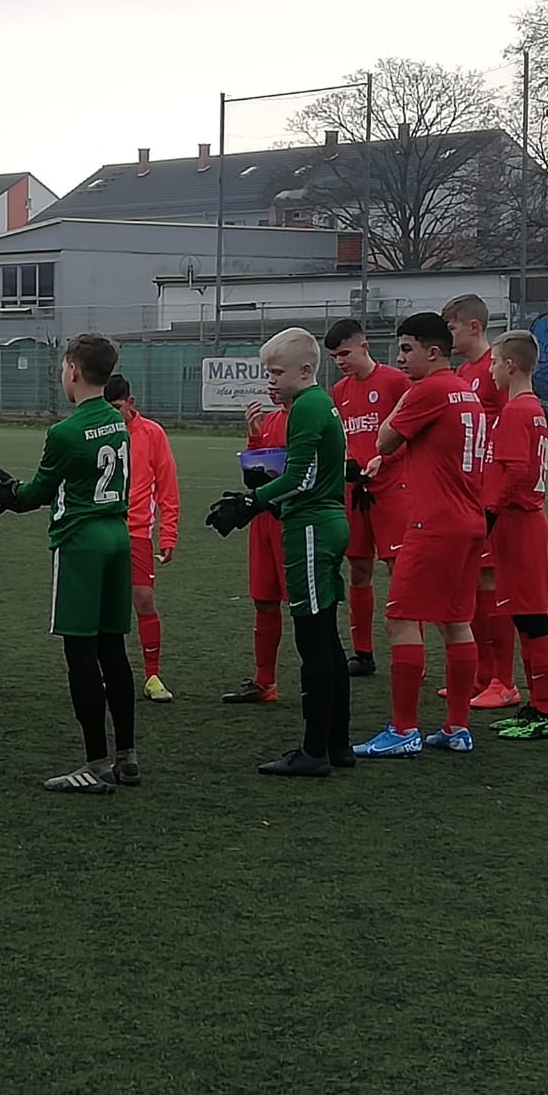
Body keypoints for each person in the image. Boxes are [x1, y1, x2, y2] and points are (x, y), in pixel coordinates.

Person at [0, 333, 138, 794]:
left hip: (81, 542)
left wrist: (12, 494)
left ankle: (95, 763)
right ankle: (127, 756)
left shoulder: (65, 432)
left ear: (73, 370)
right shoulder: (116, 420)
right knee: (113, 650)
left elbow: (41, 492)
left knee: (80, 653)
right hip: (117, 536)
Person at [207, 328, 353, 776]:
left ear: (305, 370)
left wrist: (250, 503)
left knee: (313, 641)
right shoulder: (319, 402)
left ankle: (314, 751)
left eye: (275, 373)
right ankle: (336, 744)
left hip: (310, 526)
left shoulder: (306, 407)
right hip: (325, 522)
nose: (269, 381)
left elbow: (300, 478)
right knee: (327, 638)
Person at [355, 312, 486, 758]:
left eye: (407, 349)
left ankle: (403, 729)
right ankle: (457, 727)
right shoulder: (465, 391)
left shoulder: (430, 389)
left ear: (433, 352)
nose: (400, 358)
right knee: (455, 621)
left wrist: (403, 401)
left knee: (401, 618)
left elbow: (385, 439)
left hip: (435, 525)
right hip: (469, 522)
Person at [483, 331, 548, 740]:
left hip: (519, 521)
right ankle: (536, 707)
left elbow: (515, 472)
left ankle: (546, 711)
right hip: (522, 521)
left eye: (495, 362)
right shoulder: (531, 409)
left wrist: (489, 514)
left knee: (532, 617)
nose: (491, 370)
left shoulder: (517, 411)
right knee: (523, 616)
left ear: (510, 365)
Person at [324, 318, 412, 675]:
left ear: (364, 347)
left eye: (345, 353)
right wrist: (346, 462)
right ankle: (363, 653)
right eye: (334, 356)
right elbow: (343, 438)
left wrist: (383, 460)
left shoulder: (395, 381)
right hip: (355, 490)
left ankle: (410, 655)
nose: (340, 361)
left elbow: (412, 432)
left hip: (392, 488)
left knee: (399, 570)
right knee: (358, 568)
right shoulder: (339, 391)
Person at [443, 292, 518, 709]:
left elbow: (510, 426)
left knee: (490, 582)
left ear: (474, 326)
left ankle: (504, 681)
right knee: (471, 582)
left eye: (452, 327)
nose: (449, 335)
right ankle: (481, 675)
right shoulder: (464, 371)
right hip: (467, 491)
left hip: (490, 492)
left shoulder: (495, 369)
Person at [103, 373, 179, 703]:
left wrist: (168, 533)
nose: (112, 414)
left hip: (135, 533)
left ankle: (152, 675)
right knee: (102, 605)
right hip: (100, 530)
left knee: (144, 598)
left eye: (117, 407)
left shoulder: (151, 433)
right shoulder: (97, 432)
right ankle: (107, 672)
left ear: (130, 403)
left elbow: (167, 487)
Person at [221, 397, 288, 705]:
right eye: (270, 375)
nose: (272, 382)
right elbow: (256, 474)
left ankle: (320, 682)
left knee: (306, 607)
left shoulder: (310, 414)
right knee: (264, 599)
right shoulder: (272, 419)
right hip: (264, 520)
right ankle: (265, 682)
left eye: (278, 374)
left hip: (293, 521)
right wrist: (254, 437)